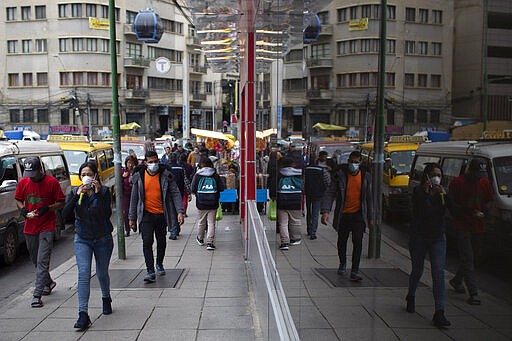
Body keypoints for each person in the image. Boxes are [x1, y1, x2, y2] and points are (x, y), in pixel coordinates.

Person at [62, 162, 114, 330]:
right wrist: (77, 196)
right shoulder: (74, 192)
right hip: (82, 238)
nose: (86, 177)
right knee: (83, 273)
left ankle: (106, 297)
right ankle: (83, 314)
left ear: (95, 176)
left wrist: (97, 194)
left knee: (101, 272)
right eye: (83, 174)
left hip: (103, 239)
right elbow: (65, 216)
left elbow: (105, 214)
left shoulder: (104, 191)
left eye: (89, 173)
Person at [15, 157, 65, 308]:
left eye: (33, 173)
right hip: (30, 227)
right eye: (28, 173)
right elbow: (18, 199)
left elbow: (61, 202)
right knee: (35, 260)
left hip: (46, 226)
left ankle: (37, 295)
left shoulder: (51, 182)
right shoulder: (23, 182)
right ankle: (48, 282)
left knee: (42, 260)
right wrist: (23, 210)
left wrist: (47, 208)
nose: (31, 177)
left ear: (40, 170)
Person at [129, 151, 184, 283]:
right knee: (147, 241)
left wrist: (179, 211)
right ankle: (150, 270)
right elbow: (134, 197)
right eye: (150, 162)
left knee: (161, 241)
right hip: (146, 215)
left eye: (155, 161)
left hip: (161, 214)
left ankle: (159, 263)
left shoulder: (166, 175)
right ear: (146, 163)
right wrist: (132, 217)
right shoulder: (140, 177)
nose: (154, 164)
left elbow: (175, 193)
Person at [406, 163, 450, 327]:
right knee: (417, 269)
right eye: (433, 174)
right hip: (420, 237)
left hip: (437, 237)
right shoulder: (418, 192)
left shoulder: (443, 192)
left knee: (438, 272)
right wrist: (427, 195)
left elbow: (448, 210)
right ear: (426, 176)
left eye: (439, 174)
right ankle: (411, 295)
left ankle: (439, 311)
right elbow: (421, 213)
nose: (436, 177)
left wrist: (443, 196)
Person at [321, 151, 373, 281]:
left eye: (356, 162)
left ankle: (355, 270)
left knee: (358, 241)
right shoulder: (341, 175)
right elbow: (330, 192)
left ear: (360, 163)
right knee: (342, 241)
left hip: (358, 215)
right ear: (348, 161)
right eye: (351, 162)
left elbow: (369, 198)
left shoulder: (365, 176)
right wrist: (326, 211)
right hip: (343, 214)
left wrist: (372, 217)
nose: (353, 165)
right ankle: (342, 263)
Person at [448, 158, 493, 305]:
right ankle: (473, 292)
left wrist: (484, 212)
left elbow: (488, 201)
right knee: (467, 258)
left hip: (478, 225)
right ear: (470, 170)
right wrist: (466, 211)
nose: (479, 177)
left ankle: (456, 280)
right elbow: (452, 206)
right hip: (462, 225)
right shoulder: (457, 183)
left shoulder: (484, 183)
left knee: (474, 256)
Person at [269, 157, 303, 250]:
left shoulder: (278, 174)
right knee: (295, 221)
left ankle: (284, 243)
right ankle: (295, 239)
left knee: (283, 223)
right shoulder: (299, 174)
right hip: (296, 200)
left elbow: (272, 186)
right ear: (293, 164)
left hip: (282, 200)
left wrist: (272, 196)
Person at [191, 157, 224, 250]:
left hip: (201, 203)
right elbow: (221, 188)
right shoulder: (215, 175)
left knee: (201, 221)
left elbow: (192, 189)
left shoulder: (197, 175)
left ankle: (200, 239)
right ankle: (210, 243)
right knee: (211, 223)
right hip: (213, 203)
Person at [305, 151, 331, 240]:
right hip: (319, 194)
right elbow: (327, 182)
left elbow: (303, 181)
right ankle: (313, 232)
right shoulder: (322, 170)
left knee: (309, 212)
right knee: (315, 213)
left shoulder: (306, 169)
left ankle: (308, 229)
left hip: (308, 193)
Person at [167, 154, 190, 240]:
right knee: (177, 210)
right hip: (179, 192)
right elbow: (185, 180)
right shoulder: (180, 168)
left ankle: (174, 231)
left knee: (172, 211)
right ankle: (176, 228)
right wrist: (188, 192)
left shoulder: (167, 169)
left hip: (169, 193)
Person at [122, 155, 137, 237]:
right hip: (125, 194)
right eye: (128, 162)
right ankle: (127, 229)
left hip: (134, 194)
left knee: (135, 210)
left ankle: (134, 224)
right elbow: (119, 183)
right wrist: (123, 176)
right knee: (126, 212)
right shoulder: (123, 171)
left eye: (132, 162)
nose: (130, 165)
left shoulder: (136, 171)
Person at [179, 153, 194, 217]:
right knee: (185, 198)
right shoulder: (189, 166)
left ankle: (179, 211)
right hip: (186, 183)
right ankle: (184, 212)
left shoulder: (179, 166)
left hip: (179, 183)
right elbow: (192, 173)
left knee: (179, 198)